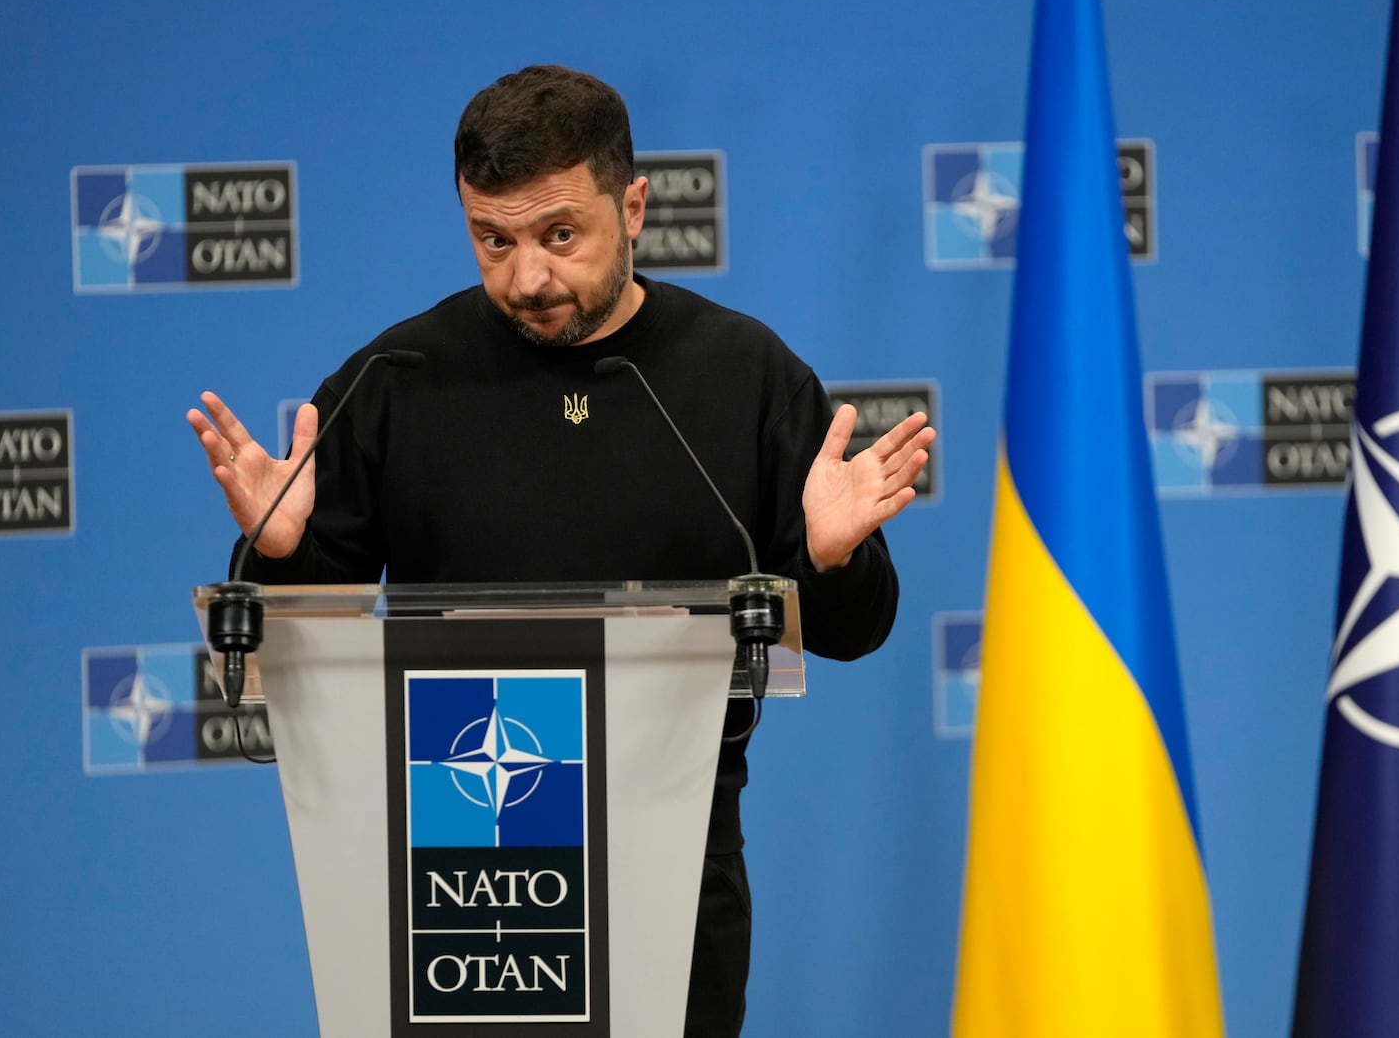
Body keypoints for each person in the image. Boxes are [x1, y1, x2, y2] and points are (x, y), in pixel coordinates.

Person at [186, 64, 933, 1036]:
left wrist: (830, 560)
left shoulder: (739, 372)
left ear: (633, 204)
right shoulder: (398, 375)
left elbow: (853, 631)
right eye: (491, 240)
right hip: (459, 856)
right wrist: (280, 553)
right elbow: (289, 646)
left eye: (559, 236)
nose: (526, 276)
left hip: (676, 853)